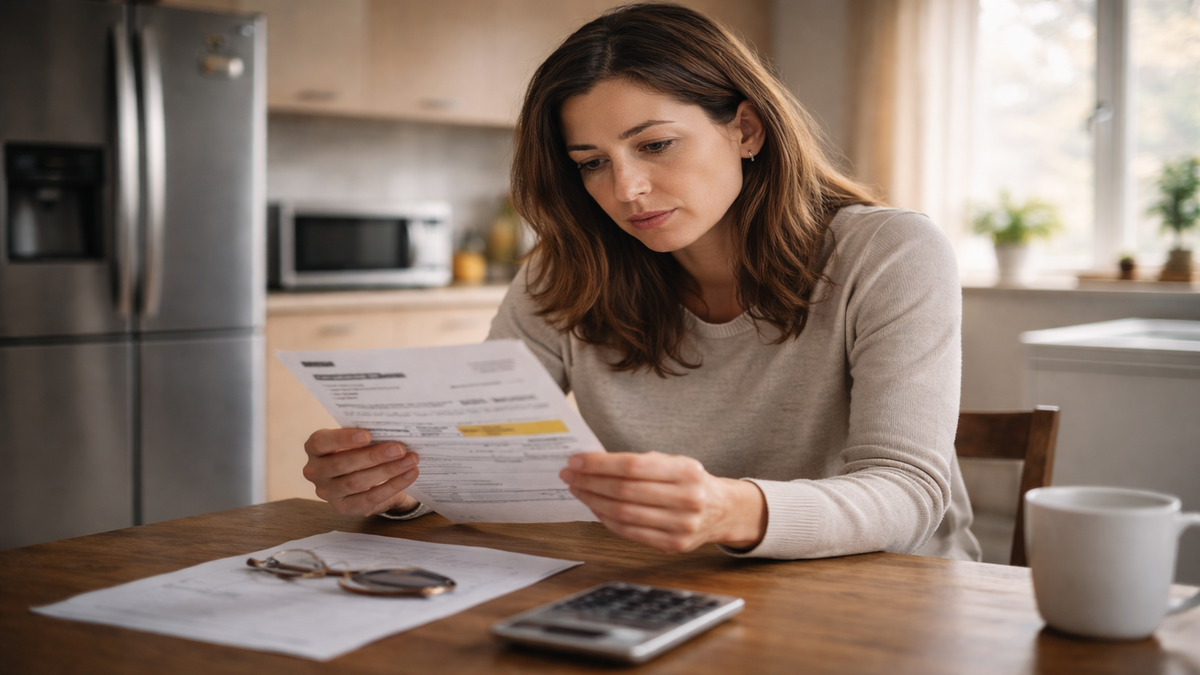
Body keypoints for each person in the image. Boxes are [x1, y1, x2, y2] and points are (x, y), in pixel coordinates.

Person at [301, 3, 981, 561]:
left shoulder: (889, 252)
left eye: (655, 144)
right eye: (591, 162)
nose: (626, 188)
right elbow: (480, 450)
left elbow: (910, 492)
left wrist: (732, 508)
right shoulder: (564, 271)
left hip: (887, 602)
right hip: (670, 587)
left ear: (745, 128)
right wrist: (398, 483)